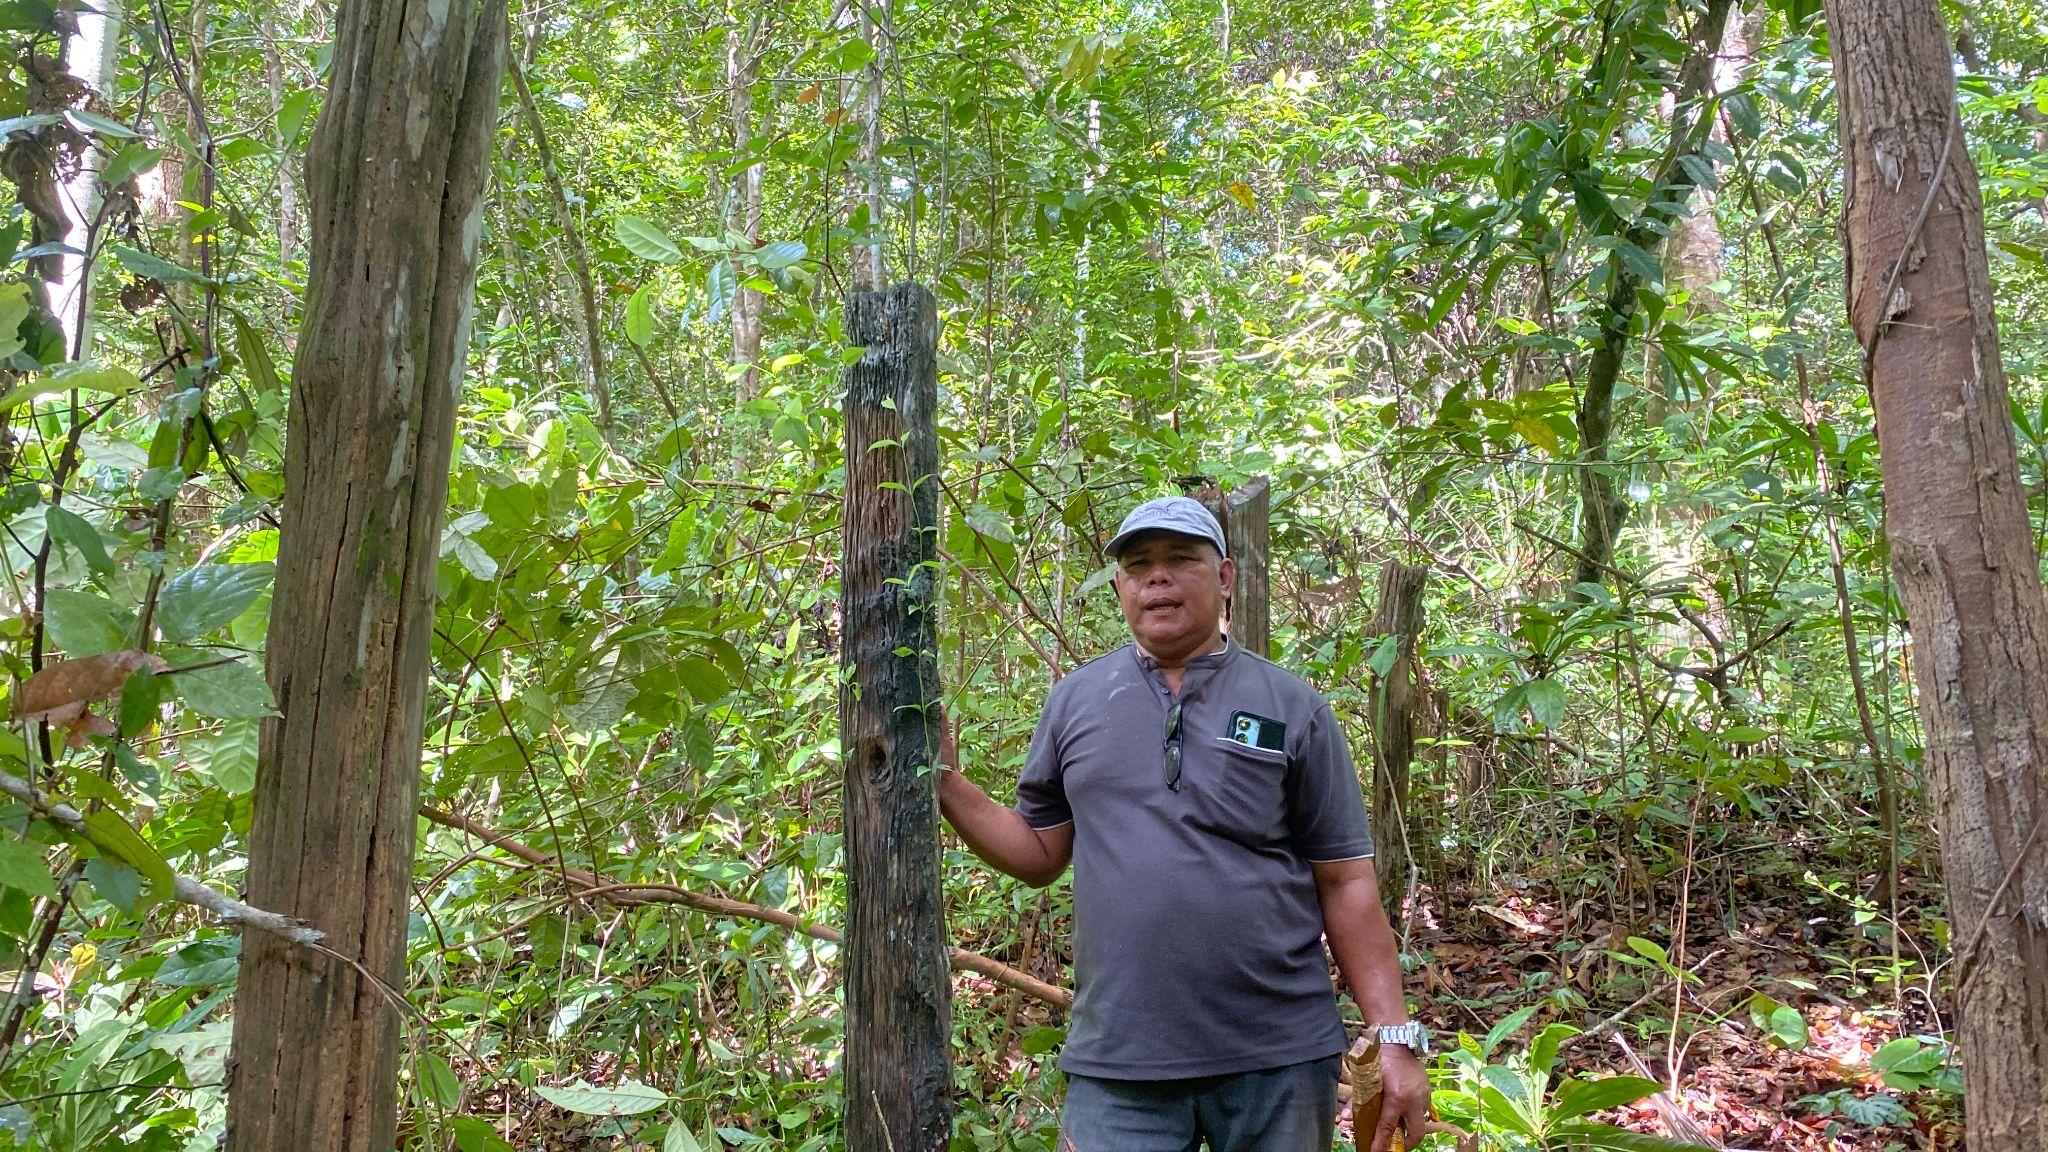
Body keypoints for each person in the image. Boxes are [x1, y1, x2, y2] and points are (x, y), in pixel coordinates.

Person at [938, 495, 1431, 1152]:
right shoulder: (1077, 701)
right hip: (1120, 1062)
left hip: (1276, 1058)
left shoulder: (1293, 707)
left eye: (1180, 560)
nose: (1157, 578)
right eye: (1139, 565)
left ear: (1225, 577)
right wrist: (944, 782)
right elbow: (1039, 852)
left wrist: (1393, 1038)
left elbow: (1345, 882)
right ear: (1119, 586)